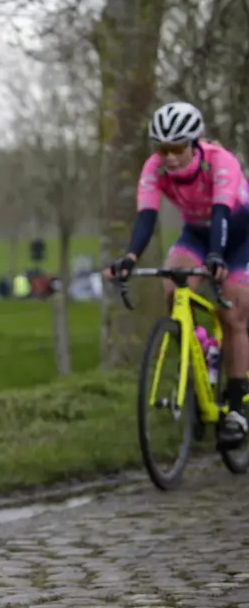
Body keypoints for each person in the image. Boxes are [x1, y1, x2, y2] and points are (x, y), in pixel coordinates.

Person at [103, 101, 249, 451]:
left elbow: (221, 213)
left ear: (194, 143)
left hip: (239, 237)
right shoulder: (154, 168)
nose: (169, 157)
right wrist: (130, 258)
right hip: (197, 235)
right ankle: (200, 348)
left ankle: (236, 409)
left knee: (232, 314)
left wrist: (217, 256)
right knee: (173, 286)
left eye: (177, 148)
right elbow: (146, 217)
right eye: (162, 149)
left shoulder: (221, 162)